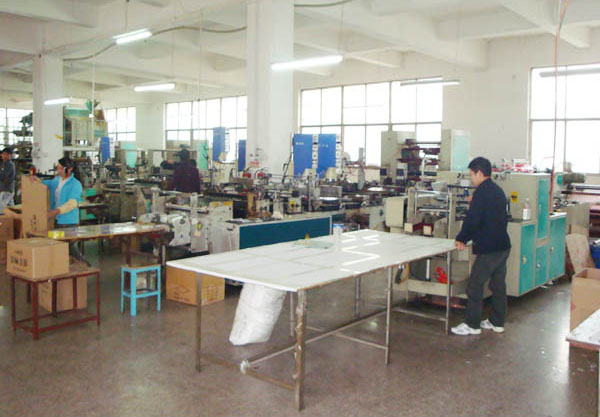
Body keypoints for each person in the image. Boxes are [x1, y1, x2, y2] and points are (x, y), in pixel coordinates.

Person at [451, 157, 511, 336]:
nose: (471, 179)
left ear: (479, 173)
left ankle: (472, 325)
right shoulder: (497, 190)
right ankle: (497, 322)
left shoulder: (481, 193)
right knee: (498, 286)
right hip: (503, 246)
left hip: (489, 249)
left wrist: (461, 238)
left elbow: (473, 220)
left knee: (474, 286)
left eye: (471, 174)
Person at [32, 157, 86, 263]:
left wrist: (55, 211)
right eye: (58, 168)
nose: (59, 170)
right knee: (60, 245)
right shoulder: (57, 180)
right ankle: (64, 266)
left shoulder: (75, 184)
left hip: (68, 221)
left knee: (68, 246)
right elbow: (45, 184)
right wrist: (35, 179)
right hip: (57, 219)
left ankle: (84, 264)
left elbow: (72, 203)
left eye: (61, 168)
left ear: (69, 169)